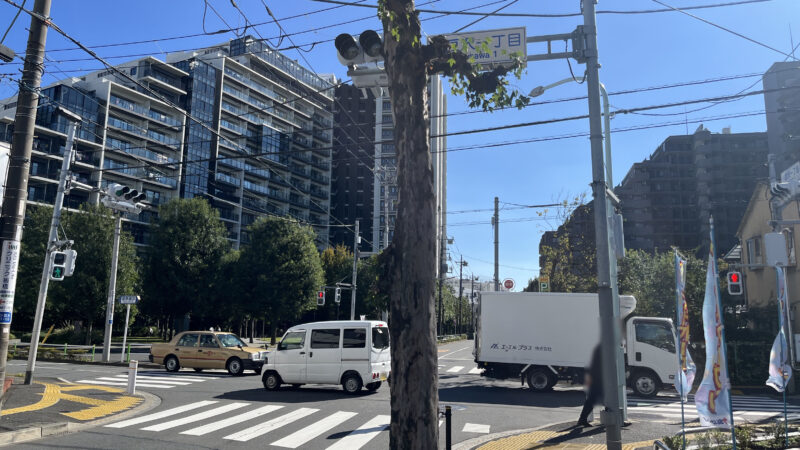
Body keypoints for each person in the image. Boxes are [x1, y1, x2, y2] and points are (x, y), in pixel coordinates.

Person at [578, 344, 603, 427]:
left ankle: (582, 419)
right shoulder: (604, 348)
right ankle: (613, 419)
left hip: (597, 377)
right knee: (593, 398)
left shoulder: (599, 348)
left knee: (593, 399)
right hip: (599, 378)